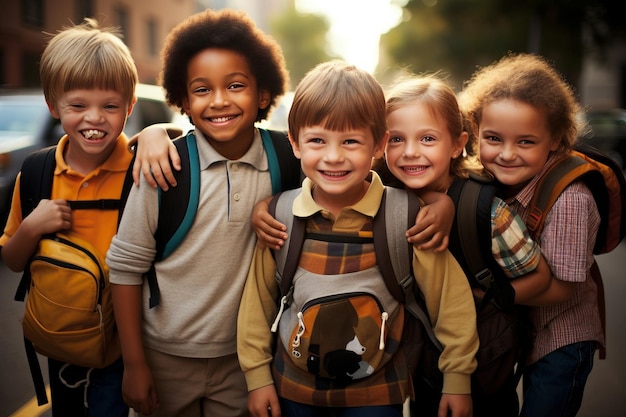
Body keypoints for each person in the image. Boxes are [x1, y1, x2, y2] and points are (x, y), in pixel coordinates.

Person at [236, 60, 479, 417]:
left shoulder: (407, 216)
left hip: (378, 394)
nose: (334, 157)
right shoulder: (281, 217)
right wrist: (257, 378)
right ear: (295, 143)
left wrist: (457, 379)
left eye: (350, 141)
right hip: (294, 389)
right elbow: (257, 305)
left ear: (379, 144)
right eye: (317, 140)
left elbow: (451, 302)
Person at [105, 9, 296, 417]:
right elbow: (124, 269)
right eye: (202, 90)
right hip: (164, 357)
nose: (220, 100)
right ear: (184, 101)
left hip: (249, 359)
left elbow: (350, 178)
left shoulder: (287, 157)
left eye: (236, 85)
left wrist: (439, 204)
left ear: (263, 94)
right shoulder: (163, 167)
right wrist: (135, 365)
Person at [377, 75, 555, 417]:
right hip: (419, 365)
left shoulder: (486, 211)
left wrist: (487, 296)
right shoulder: (380, 195)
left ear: (458, 144)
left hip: (481, 370)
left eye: (427, 138)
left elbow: (541, 279)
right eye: (396, 139)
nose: (410, 151)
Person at [0, 18, 137, 417]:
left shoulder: (142, 172)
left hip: (122, 348)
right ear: (53, 105)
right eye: (77, 105)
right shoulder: (38, 173)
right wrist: (33, 226)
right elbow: (12, 260)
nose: (94, 118)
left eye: (110, 106)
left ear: (129, 107)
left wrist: (159, 134)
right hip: (60, 342)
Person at [460, 52, 605, 417]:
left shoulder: (571, 198)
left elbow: (565, 288)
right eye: (493, 138)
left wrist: (487, 297)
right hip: (517, 329)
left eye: (525, 142)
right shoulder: (490, 180)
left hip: (562, 337)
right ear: (476, 132)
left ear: (555, 139)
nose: (507, 154)